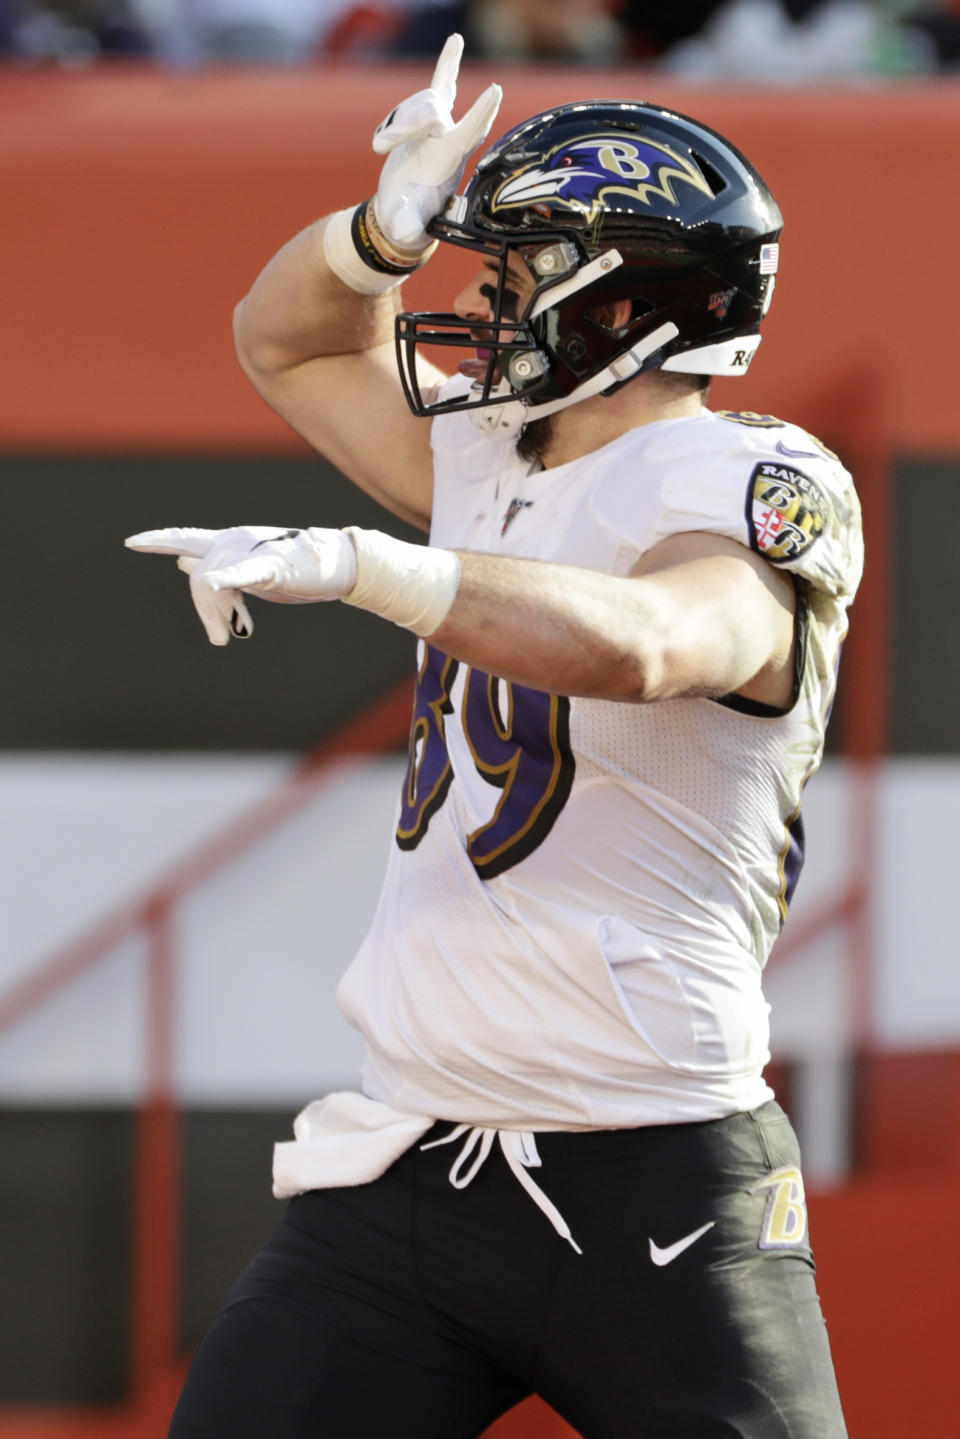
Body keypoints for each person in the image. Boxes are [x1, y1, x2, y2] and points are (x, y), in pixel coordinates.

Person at [127, 33, 861, 1439]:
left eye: (515, 267)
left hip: (657, 1168)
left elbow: (655, 644)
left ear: (622, 300)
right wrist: (374, 234)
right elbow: (283, 336)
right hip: (411, 1164)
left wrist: (363, 567)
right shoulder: (488, 449)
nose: (482, 294)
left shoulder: (756, 476)